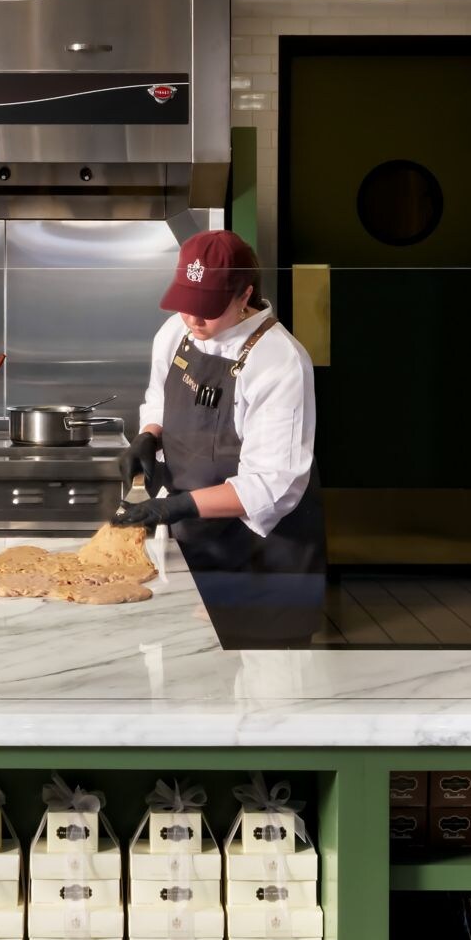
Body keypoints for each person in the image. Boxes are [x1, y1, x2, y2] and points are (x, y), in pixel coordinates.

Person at [112, 230, 326, 646]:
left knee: (269, 695)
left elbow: (271, 486)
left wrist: (177, 506)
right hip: (202, 553)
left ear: (244, 295)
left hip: (266, 564)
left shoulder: (279, 361)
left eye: (207, 308)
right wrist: (148, 436)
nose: (193, 320)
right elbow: (158, 396)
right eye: (187, 304)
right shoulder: (177, 332)